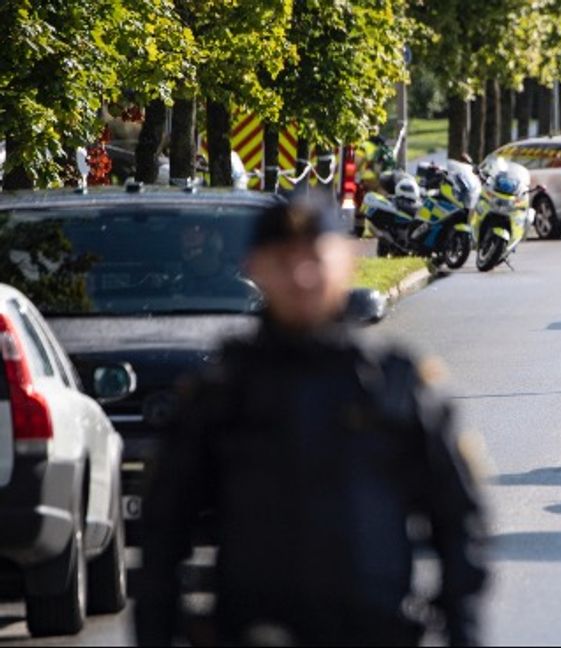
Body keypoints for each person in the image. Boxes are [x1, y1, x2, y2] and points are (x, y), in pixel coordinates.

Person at [135, 196, 488, 646]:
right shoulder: (221, 392)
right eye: (284, 262)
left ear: (344, 265)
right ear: (255, 269)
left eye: (315, 260)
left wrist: (463, 631)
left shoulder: (394, 385)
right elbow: (163, 533)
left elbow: (459, 524)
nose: (301, 278)